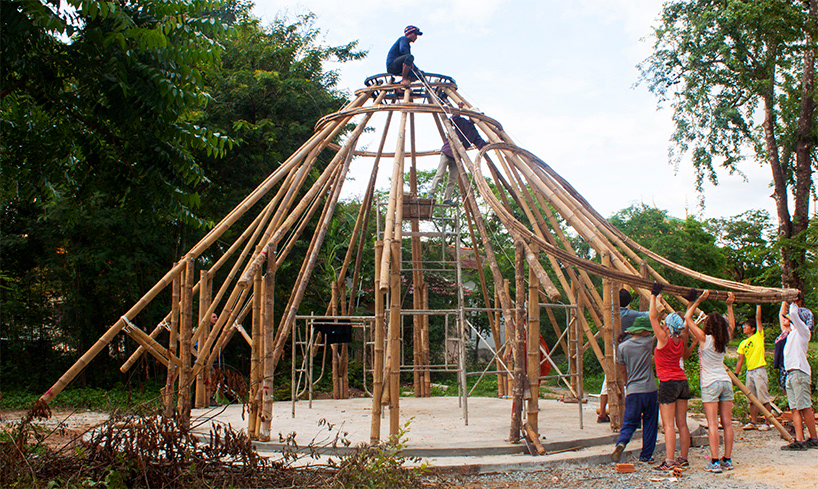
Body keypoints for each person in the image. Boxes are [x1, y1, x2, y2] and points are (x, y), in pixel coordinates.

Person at [685, 290, 736, 473]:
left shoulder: (704, 339)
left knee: (713, 424)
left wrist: (699, 300)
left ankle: (714, 462)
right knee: (727, 423)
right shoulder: (725, 339)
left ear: (708, 325)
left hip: (710, 383)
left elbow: (688, 318)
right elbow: (731, 324)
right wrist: (729, 305)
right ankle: (727, 460)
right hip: (725, 381)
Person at [649, 288, 692, 471]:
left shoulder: (663, 339)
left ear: (667, 326)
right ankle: (683, 457)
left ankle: (668, 460)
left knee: (668, 425)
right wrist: (691, 302)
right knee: (681, 423)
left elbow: (652, 317)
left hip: (668, 383)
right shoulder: (681, 339)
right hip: (682, 382)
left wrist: (653, 295)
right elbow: (687, 321)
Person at [611, 316, 659, 463]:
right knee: (650, 423)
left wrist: (627, 384)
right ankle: (646, 455)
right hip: (650, 389)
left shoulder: (622, 347)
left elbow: (623, 369)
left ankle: (622, 442)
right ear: (644, 331)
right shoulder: (648, 342)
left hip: (633, 390)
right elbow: (659, 331)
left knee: (630, 422)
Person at [599, 289, 649, 422]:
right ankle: (630, 413)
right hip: (627, 350)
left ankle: (602, 413)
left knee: (608, 380)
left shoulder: (607, 313)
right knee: (628, 380)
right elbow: (649, 315)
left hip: (612, 349)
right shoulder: (630, 314)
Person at [428, 102, 487, 205]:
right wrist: (458, 110)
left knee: (453, 178)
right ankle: (431, 193)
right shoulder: (463, 122)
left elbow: (480, 144)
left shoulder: (474, 132)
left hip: (457, 156)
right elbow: (453, 120)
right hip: (448, 151)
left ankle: (447, 198)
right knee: (440, 174)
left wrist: (490, 142)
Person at [779, 298, 818, 450]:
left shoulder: (803, 332)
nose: (786, 319)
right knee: (795, 408)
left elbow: (793, 314)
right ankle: (800, 440)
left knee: (805, 407)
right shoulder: (790, 334)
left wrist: (793, 300)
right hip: (791, 373)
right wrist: (784, 301)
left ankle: (814, 438)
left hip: (799, 372)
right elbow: (784, 316)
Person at [734, 305, 773, 431]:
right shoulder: (743, 343)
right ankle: (753, 421)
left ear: (753, 328)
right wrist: (736, 373)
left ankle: (767, 422)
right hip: (749, 371)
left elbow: (758, 319)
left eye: (746, 326)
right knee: (751, 398)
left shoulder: (758, 337)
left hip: (759, 369)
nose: (744, 327)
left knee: (763, 397)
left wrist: (759, 305)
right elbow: (740, 359)